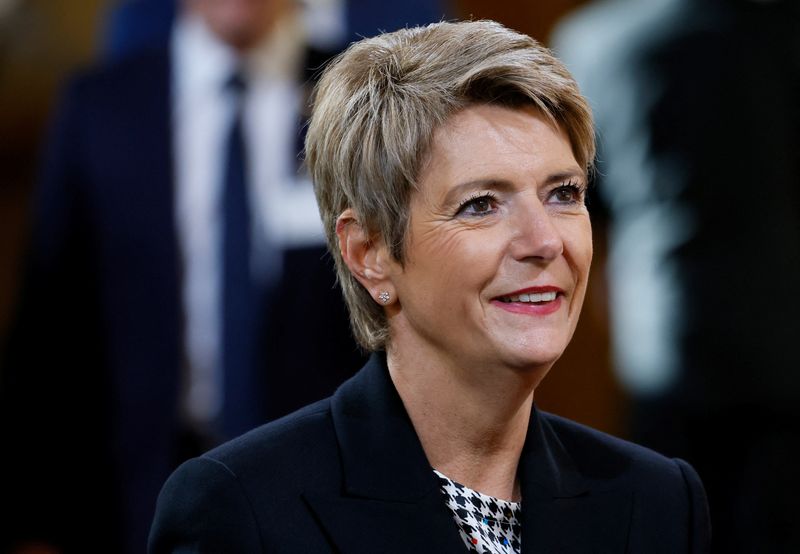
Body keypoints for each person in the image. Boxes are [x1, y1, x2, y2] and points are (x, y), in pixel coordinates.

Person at [148, 20, 711, 553]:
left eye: (562, 193)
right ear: (369, 254)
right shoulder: (241, 508)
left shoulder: (659, 500)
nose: (543, 241)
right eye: (481, 205)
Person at [0, 1, 364, 553]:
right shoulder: (101, 106)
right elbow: (48, 331)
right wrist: (31, 522)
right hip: (131, 497)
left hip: (320, 495)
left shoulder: (362, 100)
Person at [552, 0, 800, 551]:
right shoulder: (773, 25)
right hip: (781, 335)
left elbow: (583, 209)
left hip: (661, 337)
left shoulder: (592, 42)